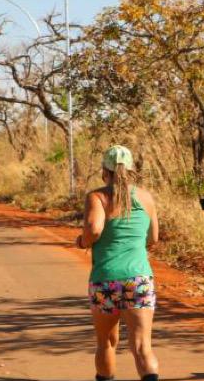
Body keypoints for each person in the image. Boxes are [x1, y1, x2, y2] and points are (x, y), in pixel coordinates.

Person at [76, 145, 161, 381]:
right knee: (142, 346)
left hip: (105, 279)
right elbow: (153, 238)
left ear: (105, 171)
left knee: (106, 343)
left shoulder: (97, 197)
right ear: (131, 170)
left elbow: (94, 229)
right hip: (139, 279)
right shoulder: (146, 197)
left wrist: (82, 242)